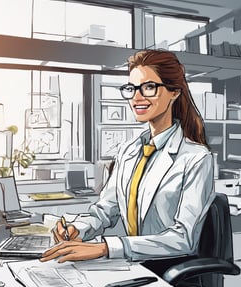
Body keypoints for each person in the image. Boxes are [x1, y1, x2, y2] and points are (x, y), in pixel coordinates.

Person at [41, 49, 215, 272]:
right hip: (134, 265)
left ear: (174, 92)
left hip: (171, 273)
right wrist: (79, 229)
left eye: (149, 87)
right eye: (131, 88)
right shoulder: (128, 151)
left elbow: (183, 238)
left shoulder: (196, 158)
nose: (137, 97)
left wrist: (105, 248)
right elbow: (105, 211)